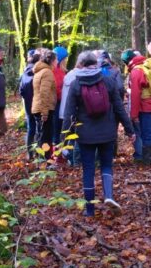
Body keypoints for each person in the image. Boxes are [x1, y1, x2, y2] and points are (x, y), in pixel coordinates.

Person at [62, 50, 135, 216]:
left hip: (85, 135)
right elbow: (119, 108)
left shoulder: (76, 84)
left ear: (80, 65)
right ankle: (108, 196)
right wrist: (129, 130)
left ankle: (89, 210)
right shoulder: (108, 80)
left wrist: (64, 140)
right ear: (96, 63)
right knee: (106, 165)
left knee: (88, 169)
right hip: (107, 132)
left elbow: (68, 115)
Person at [30, 49, 58, 160]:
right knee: (45, 136)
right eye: (56, 60)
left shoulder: (40, 71)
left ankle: (40, 159)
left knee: (41, 134)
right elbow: (44, 93)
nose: (57, 62)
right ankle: (45, 160)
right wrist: (45, 112)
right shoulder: (47, 72)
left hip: (38, 107)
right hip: (44, 108)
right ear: (51, 61)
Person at [120, 49, 143, 160]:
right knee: (147, 131)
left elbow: (136, 94)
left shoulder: (135, 71)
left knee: (137, 132)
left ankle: (140, 156)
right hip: (150, 106)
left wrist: (133, 114)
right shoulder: (146, 66)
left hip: (139, 107)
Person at [18, 49, 38, 160]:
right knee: (37, 127)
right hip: (35, 103)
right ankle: (37, 153)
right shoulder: (35, 71)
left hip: (28, 103)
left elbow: (21, 90)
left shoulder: (26, 70)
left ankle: (30, 153)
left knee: (31, 127)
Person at [51, 46, 68, 151]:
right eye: (65, 58)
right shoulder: (56, 71)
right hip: (56, 104)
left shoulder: (61, 71)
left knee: (58, 128)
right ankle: (55, 153)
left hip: (59, 103)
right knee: (56, 129)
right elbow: (56, 89)